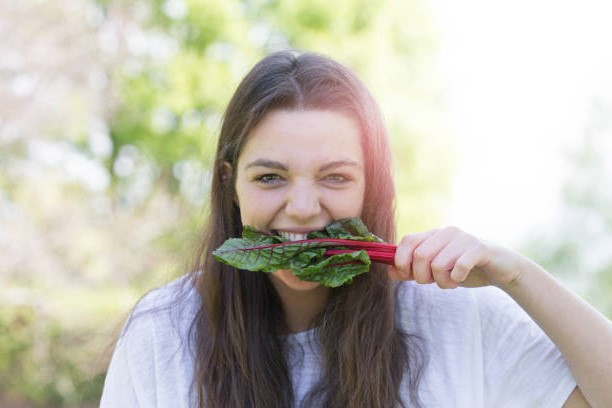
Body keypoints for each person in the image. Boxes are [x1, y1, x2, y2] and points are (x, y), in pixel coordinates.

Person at [100, 50, 612, 407]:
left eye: (336, 177)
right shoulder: (164, 331)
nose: (302, 208)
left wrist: (515, 274)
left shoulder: (458, 315)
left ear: (374, 188)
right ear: (230, 183)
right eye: (270, 177)